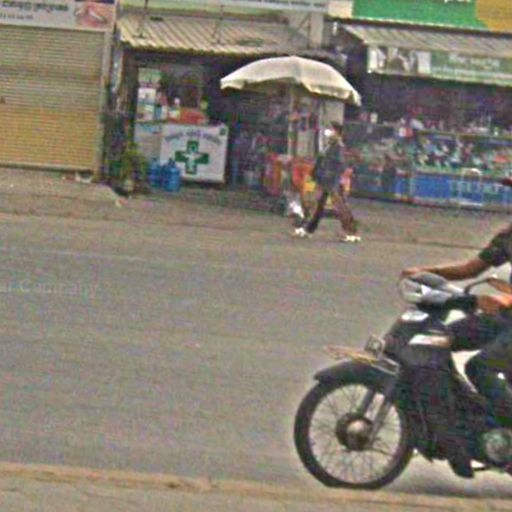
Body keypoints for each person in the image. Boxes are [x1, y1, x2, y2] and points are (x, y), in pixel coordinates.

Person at [401, 221, 512, 475]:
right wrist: (425, 273)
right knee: (437, 338)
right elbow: (470, 269)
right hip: (505, 317)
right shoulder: (508, 238)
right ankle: (461, 412)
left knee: (479, 367)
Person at [293, 122, 360, 243]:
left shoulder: (337, 147)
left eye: (331, 130)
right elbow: (321, 161)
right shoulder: (329, 146)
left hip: (330, 182)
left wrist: (328, 175)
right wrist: (315, 173)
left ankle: (352, 232)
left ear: (337, 133)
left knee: (339, 207)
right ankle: (309, 229)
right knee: (317, 205)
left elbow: (340, 165)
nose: (328, 132)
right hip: (324, 180)